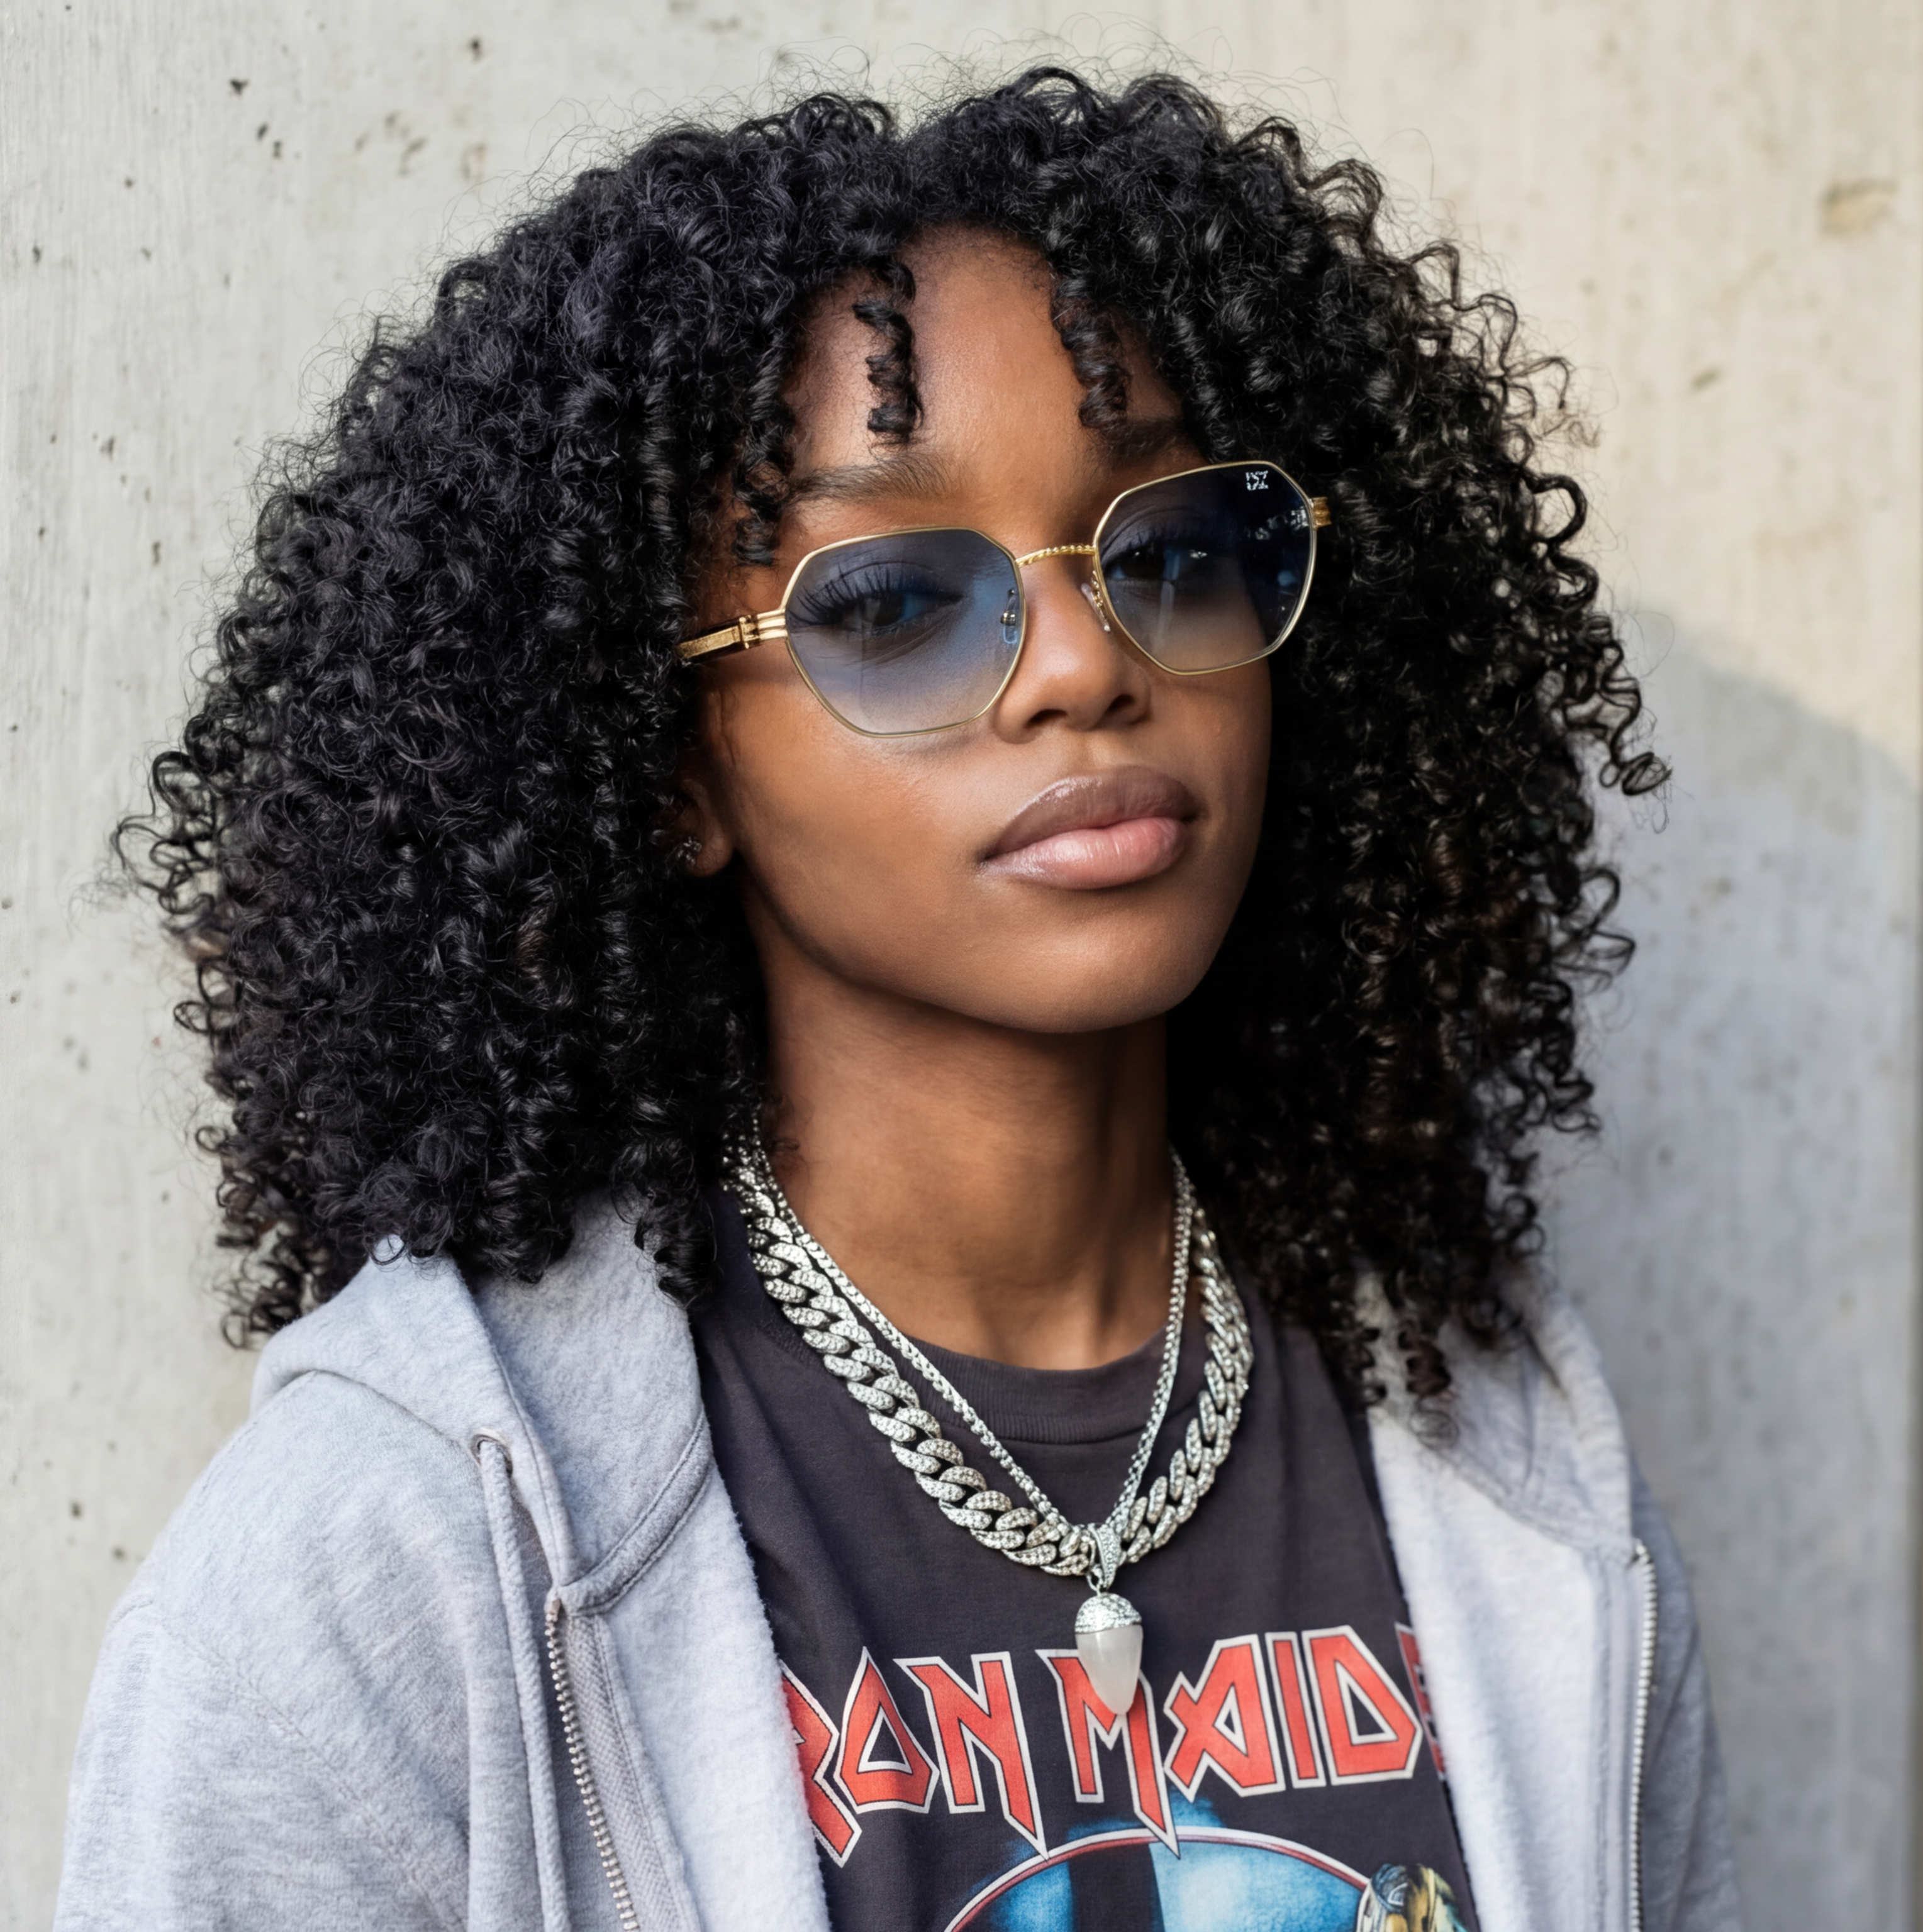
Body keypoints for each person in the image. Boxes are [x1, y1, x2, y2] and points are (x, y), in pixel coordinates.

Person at [57, 67, 1741, 1932]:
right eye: (894, 604)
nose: (1087, 665)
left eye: (1171, 552)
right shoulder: (409, 1545)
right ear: (673, 769)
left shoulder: (1510, 1464)